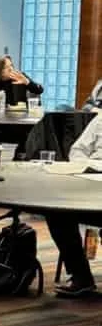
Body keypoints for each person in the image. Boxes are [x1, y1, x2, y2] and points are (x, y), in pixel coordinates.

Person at [42, 114, 101, 297]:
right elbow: (77, 150)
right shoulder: (100, 119)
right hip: (90, 185)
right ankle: (81, 277)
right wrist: (86, 165)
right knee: (56, 212)